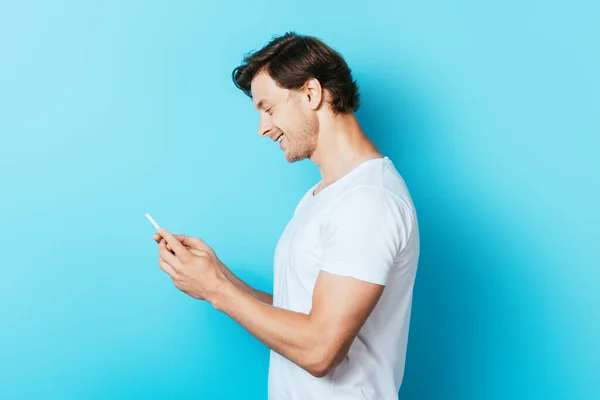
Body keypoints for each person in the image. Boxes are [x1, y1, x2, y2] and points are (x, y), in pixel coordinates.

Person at [153, 32, 420, 400]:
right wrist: (216, 275)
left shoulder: (369, 201)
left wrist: (216, 291)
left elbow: (320, 349)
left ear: (311, 93)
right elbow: (298, 314)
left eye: (269, 108)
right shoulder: (323, 197)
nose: (262, 128)